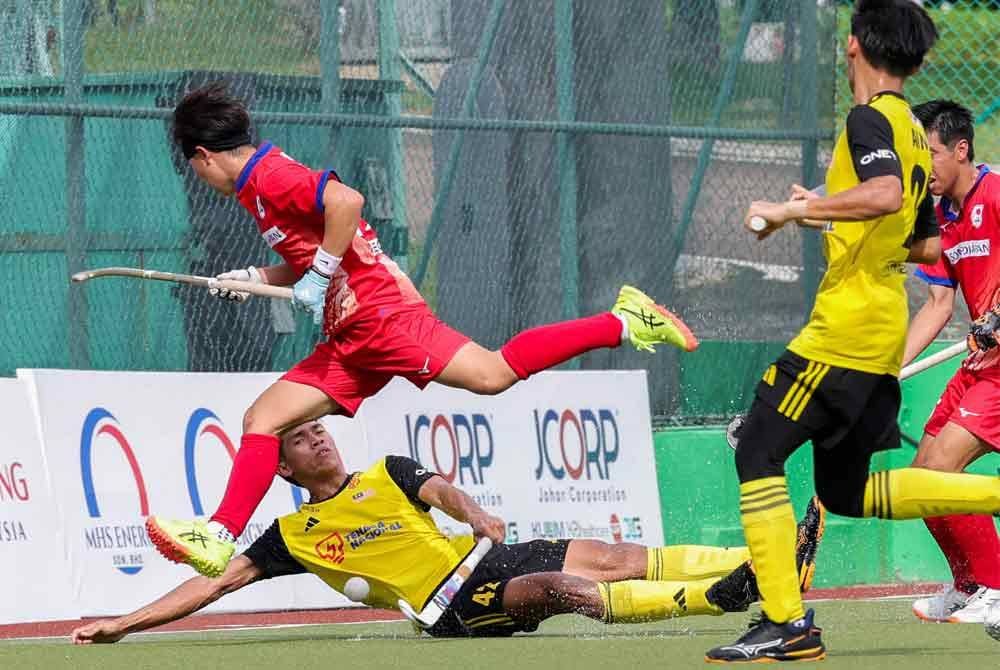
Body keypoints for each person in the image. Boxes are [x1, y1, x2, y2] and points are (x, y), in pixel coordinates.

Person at [146, 82, 699, 579]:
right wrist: (254, 277)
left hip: (380, 316)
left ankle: (623, 319)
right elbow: (315, 246)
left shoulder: (270, 175)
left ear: (202, 155)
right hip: (350, 334)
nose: (196, 177)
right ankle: (219, 535)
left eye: (190, 167)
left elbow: (346, 203)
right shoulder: (254, 187)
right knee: (262, 419)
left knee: (491, 374)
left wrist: (316, 275)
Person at [705, 1, 1000, 663]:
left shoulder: (871, 120)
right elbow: (926, 245)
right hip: (878, 330)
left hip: (842, 331)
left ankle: (786, 622)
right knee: (844, 491)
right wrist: (828, 205)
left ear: (856, 46)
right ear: (917, 59)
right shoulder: (911, 133)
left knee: (756, 448)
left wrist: (795, 210)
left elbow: (886, 198)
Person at [73, 421, 824, 644]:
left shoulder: (385, 469)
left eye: (321, 427)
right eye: (301, 440)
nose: (321, 439)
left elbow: (445, 492)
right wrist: (125, 623)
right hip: (452, 607)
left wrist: (477, 516)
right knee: (563, 587)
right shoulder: (291, 534)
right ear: (286, 469)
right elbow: (213, 581)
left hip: (485, 553)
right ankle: (723, 597)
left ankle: (769, 566)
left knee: (616, 552)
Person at [903, 100, 1000, 624]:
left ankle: (997, 586)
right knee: (921, 476)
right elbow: (939, 305)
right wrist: (886, 368)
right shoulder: (941, 217)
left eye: (932, 153)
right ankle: (968, 586)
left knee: (945, 469)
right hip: (979, 363)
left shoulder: (998, 192)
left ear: (961, 150)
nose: (925, 166)